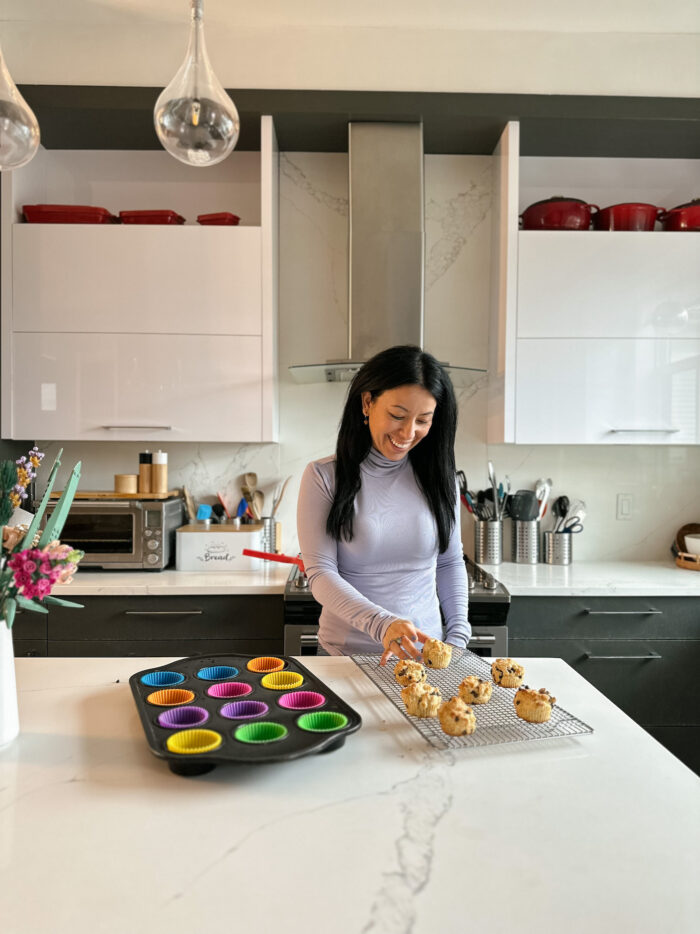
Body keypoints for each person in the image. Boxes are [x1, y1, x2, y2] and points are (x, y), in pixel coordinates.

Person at [296, 344, 470, 664]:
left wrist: (457, 636)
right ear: (367, 402)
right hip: (345, 656)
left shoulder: (440, 479)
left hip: (427, 659)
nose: (408, 432)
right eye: (397, 415)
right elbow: (320, 573)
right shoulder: (323, 477)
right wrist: (383, 625)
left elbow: (449, 563)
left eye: (423, 420)